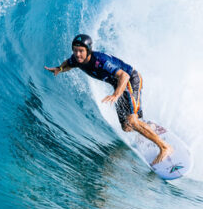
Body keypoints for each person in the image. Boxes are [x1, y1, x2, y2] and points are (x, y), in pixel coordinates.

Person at [45, 34, 173, 165]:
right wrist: (59, 69)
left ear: (88, 50)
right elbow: (68, 63)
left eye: (81, 51)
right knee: (126, 127)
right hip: (120, 86)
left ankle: (164, 147)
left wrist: (116, 94)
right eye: (75, 50)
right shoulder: (77, 60)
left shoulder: (100, 61)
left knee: (132, 121)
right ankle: (147, 127)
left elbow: (124, 76)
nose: (77, 54)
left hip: (130, 80)